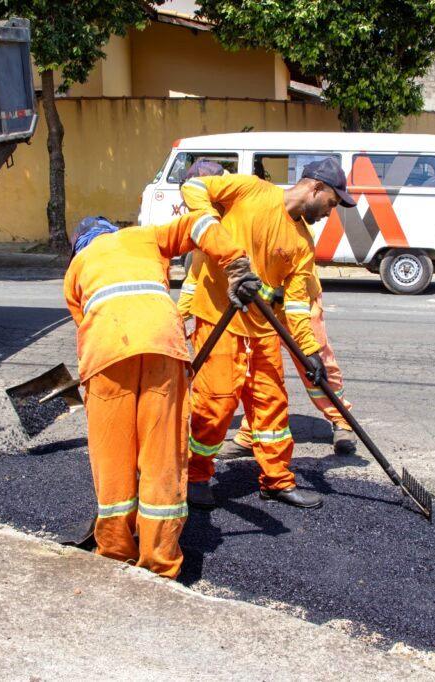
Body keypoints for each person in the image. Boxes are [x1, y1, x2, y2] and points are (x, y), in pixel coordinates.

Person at [63, 213, 258, 579]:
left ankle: (116, 551)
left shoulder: (76, 269)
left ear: (79, 245)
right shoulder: (145, 236)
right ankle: (160, 561)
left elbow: (83, 324)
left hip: (106, 351)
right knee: (161, 458)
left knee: (114, 460)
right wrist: (236, 263)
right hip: (163, 345)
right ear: (112, 232)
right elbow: (200, 223)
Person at [183, 157, 357, 510]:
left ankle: (277, 481)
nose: (329, 212)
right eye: (331, 203)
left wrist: (310, 353)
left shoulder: (303, 245)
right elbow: (194, 187)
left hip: (262, 331)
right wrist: (210, 227)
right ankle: (195, 476)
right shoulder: (251, 190)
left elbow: (295, 306)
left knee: (271, 409)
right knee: (214, 405)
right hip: (219, 322)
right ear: (315, 187)